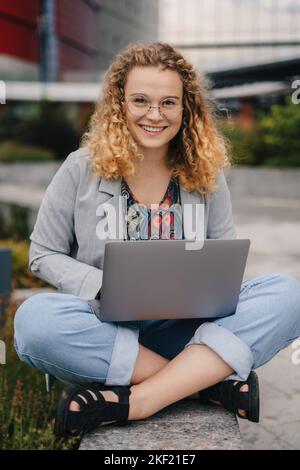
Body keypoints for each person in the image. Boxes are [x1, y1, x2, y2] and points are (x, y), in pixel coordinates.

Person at [14, 42, 300, 438]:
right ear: (120, 104)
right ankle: (203, 384)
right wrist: (105, 286)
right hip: (106, 328)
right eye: (141, 101)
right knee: (34, 322)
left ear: (186, 108)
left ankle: (140, 400)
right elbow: (43, 254)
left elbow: (225, 259)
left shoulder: (206, 173)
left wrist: (206, 290)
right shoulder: (80, 168)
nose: (154, 115)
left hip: (187, 330)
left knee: (287, 294)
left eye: (168, 102)